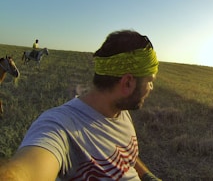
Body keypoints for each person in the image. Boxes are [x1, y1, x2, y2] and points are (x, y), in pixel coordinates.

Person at [0, 30, 161, 181]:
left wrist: (147, 176)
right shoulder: (59, 127)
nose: (151, 88)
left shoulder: (120, 111)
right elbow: (26, 171)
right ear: (127, 83)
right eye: (150, 82)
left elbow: (124, 153)